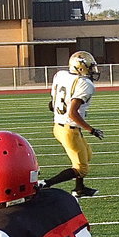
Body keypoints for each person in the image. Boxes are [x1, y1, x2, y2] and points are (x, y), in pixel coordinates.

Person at [44, 51, 104, 198]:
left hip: (60, 126)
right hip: (68, 129)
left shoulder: (61, 75)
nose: (92, 71)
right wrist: (91, 129)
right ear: (80, 67)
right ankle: (44, 184)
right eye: (90, 67)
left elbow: (51, 104)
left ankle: (79, 188)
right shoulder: (84, 84)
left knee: (87, 156)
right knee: (81, 168)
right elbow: (72, 113)